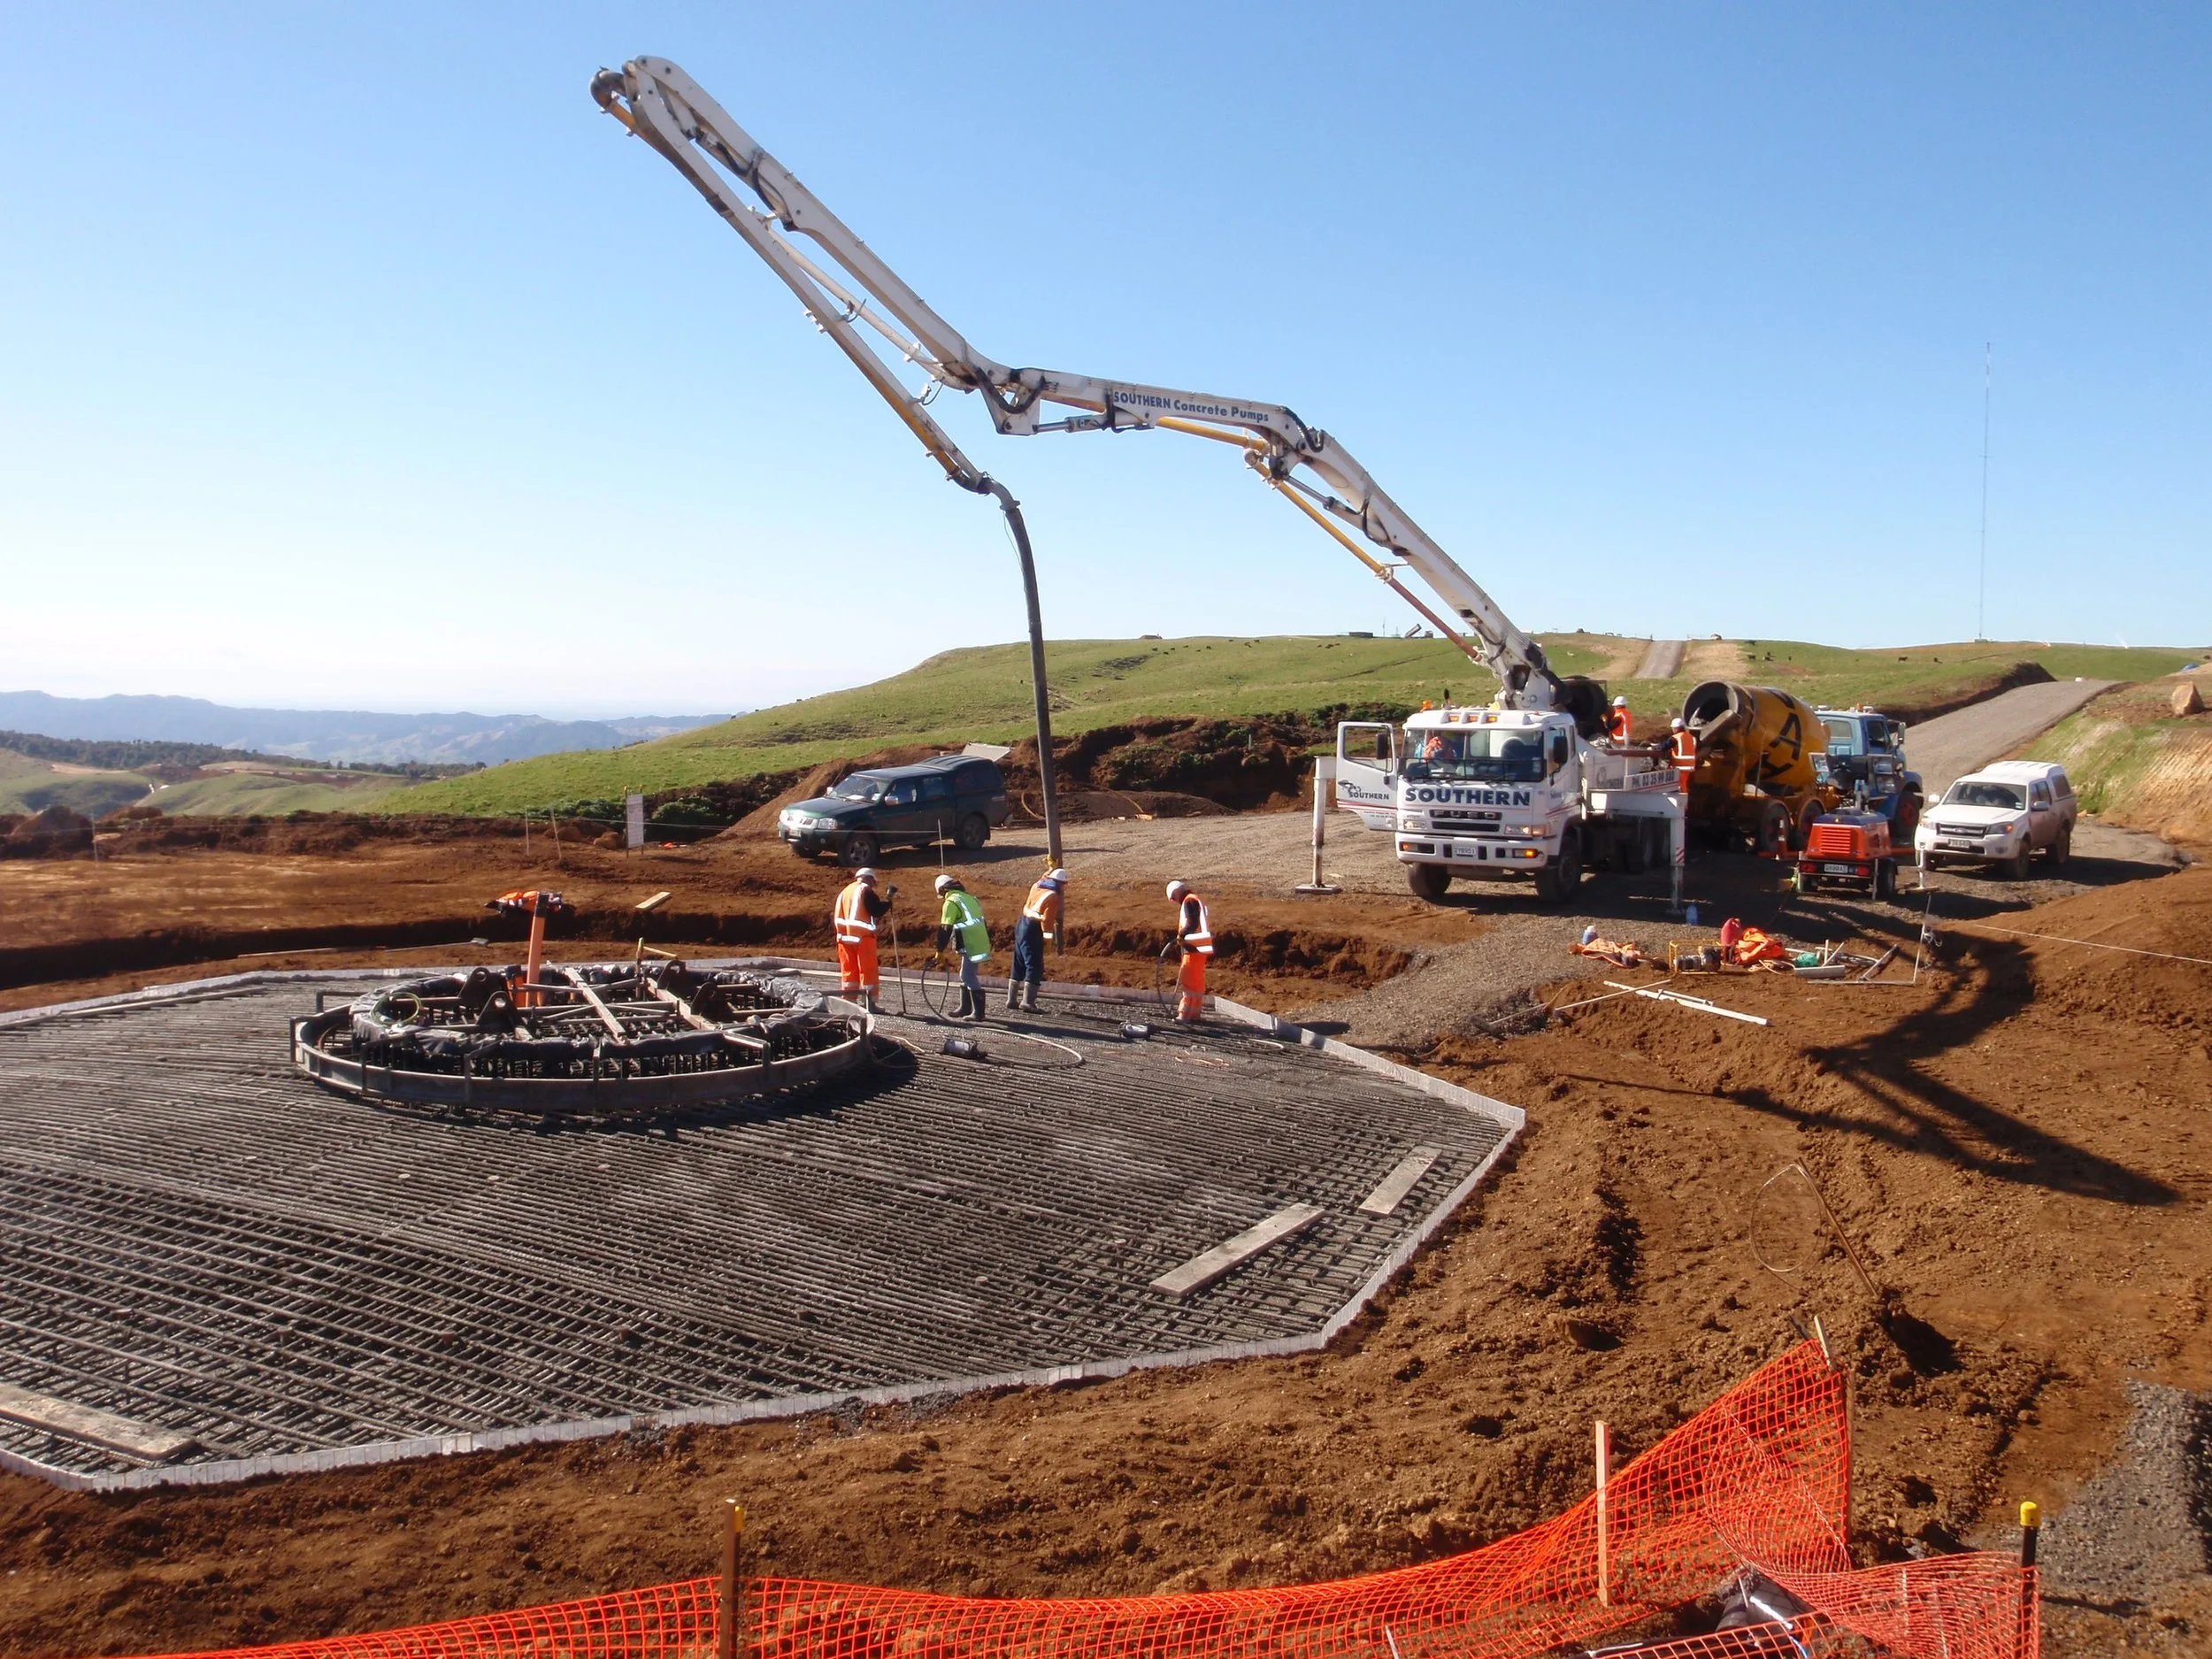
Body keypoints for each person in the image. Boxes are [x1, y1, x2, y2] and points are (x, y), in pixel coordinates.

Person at [832, 867, 894, 1010]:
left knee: (849, 970)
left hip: (844, 938)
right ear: (869, 879)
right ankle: (869, 1002)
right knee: (868, 970)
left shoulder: (845, 891)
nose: (873, 886)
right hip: (862, 938)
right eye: (873, 883)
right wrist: (889, 902)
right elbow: (876, 910)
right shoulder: (865, 890)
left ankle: (848, 1000)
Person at [1007, 866, 1066, 1012]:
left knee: (1019, 961)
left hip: (1021, 924)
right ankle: (1027, 1002)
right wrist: (1048, 940)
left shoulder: (1037, 885)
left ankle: (1012, 999)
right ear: (1062, 884)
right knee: (1034, 964)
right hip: (1033, 928)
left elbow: (1044, 876)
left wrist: (1051, 866)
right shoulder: (1053, 896)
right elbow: (1047, 922)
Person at [933, 873, 992, 1021]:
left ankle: (978, 1013)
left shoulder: (951, 902)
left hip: (971, 942)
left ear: (942, 890)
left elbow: (946, 928)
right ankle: (965, 1008)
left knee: (967, 975)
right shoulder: (969, 898)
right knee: (966, 974)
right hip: (979, 941)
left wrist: (939, 950)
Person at [1166, 879, 1213, 1022]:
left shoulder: (1189, 901)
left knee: (1187, 979)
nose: (1175, 901)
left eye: (1173, 898)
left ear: (1176, 892)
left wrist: (1182, 935)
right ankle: (1195, 1014)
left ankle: (1184, 1014)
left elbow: (1192, 923)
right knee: (1196, 982)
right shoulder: (1194, 899)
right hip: (1200, 948)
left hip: (1192, 948)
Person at [1669, 717, 1698, 796]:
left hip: (1680, 766)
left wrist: (1656, 748)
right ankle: (1684, 803)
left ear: (1676, 728)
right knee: (1684, 783)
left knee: (1680, 785)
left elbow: (1665, 746)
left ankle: (1683, 804)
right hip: (1689, 766)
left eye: (1673, 728)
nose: (1672, 730)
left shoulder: (1676, 738)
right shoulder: (1691, 737)